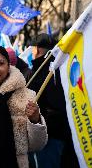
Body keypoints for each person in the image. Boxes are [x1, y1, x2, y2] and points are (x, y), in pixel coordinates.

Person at [27, 33, 79, 168]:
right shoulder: (61, 69)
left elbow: (55, 103)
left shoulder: (44, 72)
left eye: (32, 48)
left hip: (48, 136)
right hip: (63, 132)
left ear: (37, 49)